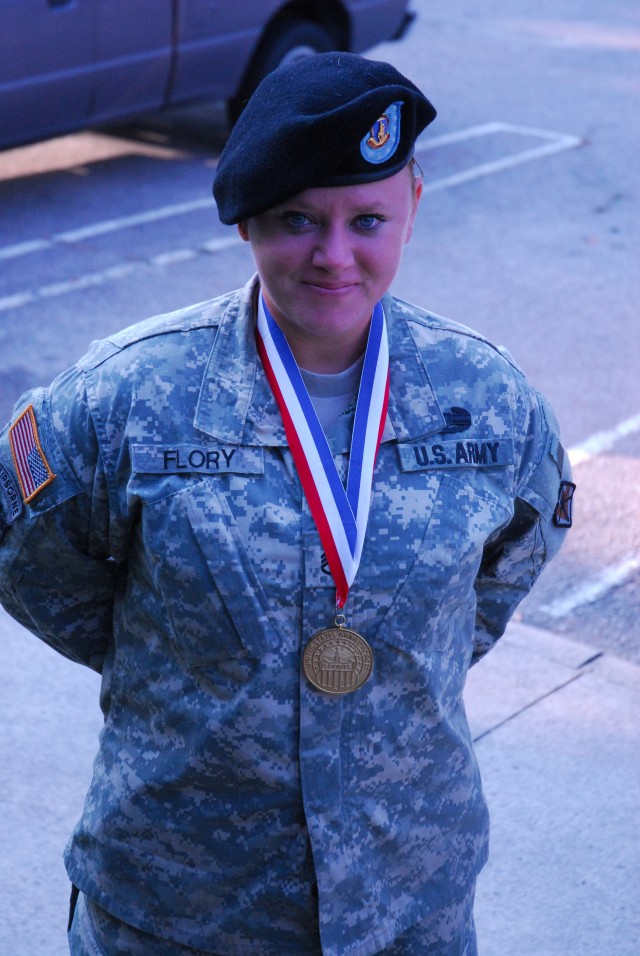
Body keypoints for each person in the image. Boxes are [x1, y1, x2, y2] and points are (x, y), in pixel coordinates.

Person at [0, 53, 575, 956]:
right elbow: (29, 556)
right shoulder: (128, 395)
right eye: (297, 220)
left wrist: (396, 647)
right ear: (246, 224)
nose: (333, 255)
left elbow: (506, 567)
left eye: (368, 219)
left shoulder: (487, 400)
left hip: (404, 902)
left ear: (414, 206)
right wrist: (182, 656)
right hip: (179, 905)